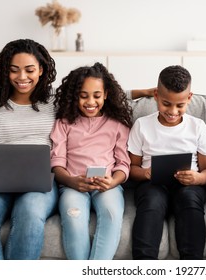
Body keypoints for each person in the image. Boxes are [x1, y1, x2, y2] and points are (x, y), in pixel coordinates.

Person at [0, 39, 58, 259]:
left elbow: (95, 93)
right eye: (14, 70)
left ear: (41, 70)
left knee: (30, 212)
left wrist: (138, 91)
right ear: (4, 71)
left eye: (29, 70)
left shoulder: (57, 100)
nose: (22, 77)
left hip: (42, 180)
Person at [128, 65, 206, 260]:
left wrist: (198, 178)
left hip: (188, 186)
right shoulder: (142, 125)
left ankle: (192, 265)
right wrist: (145, 173)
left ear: (189, 98)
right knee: (151, 203)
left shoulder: (197, 126)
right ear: (156, 95)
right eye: (166, 104)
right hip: (151, 185)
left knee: (189, 202)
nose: (173, 111)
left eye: (180, 105)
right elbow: (132, 169)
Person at [50, 63, 132, 260]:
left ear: (105, 95)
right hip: (73, 185)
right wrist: (71, 181)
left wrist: (113, 181)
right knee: (73, 216)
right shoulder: (63, 123)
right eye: (83, 95)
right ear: (74, 95)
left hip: (107, 185)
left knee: (112, 215)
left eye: (96, 95)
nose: (90, 102)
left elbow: (123, 163)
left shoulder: (117, 124)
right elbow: (57, 163)